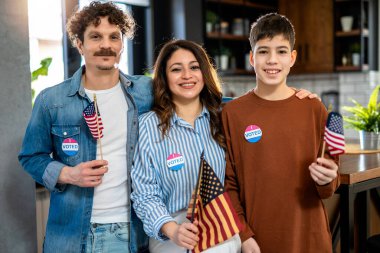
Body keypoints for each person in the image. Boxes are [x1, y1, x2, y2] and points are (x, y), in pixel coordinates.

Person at [130, 39, 317, 253]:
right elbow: (145, 194)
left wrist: (298, 98)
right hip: (173, 227)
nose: (187, 76)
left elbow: (264, 108)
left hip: (221, 219)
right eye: (176, 69)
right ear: (164, 76)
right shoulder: (148, 125)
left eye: (194, 67)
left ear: (205, 73)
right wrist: (172, 229)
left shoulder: (225, 115)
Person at [18, 2, 151, 252]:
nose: (106, 45)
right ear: (79, 44)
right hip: (71, 236)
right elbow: (30, 157)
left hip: (133, 233)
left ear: (122, 43)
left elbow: (197, 101)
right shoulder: (51, 100)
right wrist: (68, 174)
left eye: (114, 37)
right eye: (95, 36)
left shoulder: (146, 92)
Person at [221, 13, 340, 253]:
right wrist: (243, 235)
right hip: (258, 241)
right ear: (252, 58)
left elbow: (329, 184)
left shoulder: (313, 108)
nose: (272, 60)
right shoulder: (232, 113)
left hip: (310, 238)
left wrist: (327, 179)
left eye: (282, 51)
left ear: (293, 58)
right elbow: (227, 185)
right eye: (264, 51)